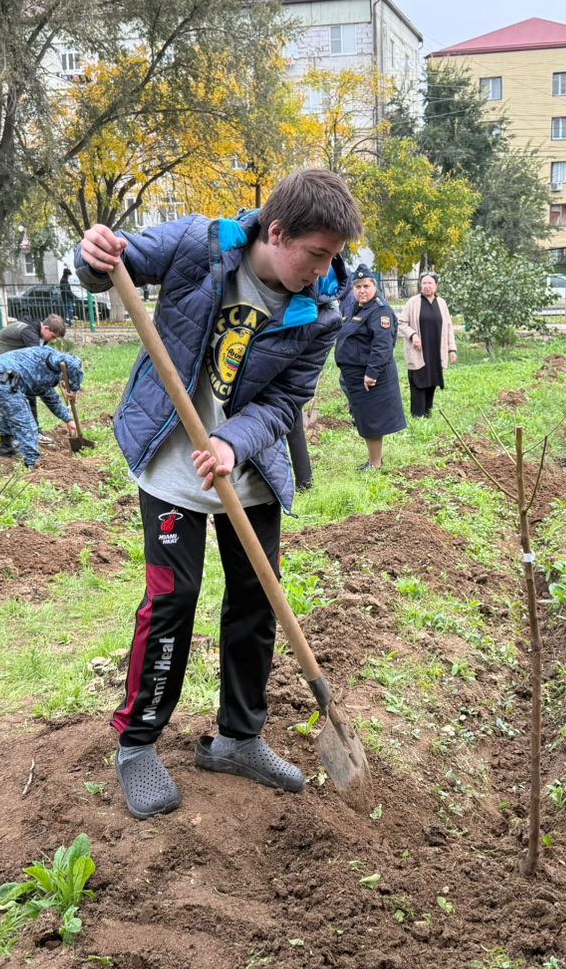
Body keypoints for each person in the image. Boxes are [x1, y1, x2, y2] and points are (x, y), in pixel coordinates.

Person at [72, 168, 361, 821]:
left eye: (332, 258)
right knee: (172, 599)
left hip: (248, 468)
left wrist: (233, 441)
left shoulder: (320, 310)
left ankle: (239, 737)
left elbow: (287, 399)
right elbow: (116, 261)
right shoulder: (198, 245)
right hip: (173, 462)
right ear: (277, 232)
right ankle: (138, 743)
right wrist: (92, 257)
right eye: (314, 255)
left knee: (257, 599)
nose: (322, 270)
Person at [334, 268, 406, 470]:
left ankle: (375, 463)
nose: (362, 290)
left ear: (375, 286)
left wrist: (371, 373)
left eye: (366, 286)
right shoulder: (356, 308)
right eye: (358, 287)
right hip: (355, 375)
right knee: (365, 418)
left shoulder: (380, 311)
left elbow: (382, 346)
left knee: (372, 419)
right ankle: (373, 460)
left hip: (369, 376)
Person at [0, 345, 83, 467]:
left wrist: (68, 420)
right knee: (26, 422)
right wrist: (74, 389)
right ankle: (32, 463)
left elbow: (52, 399)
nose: (64, 384)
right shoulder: (53, 358)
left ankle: (7, 446)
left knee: (9, 409)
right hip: (0, 379)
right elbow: (71, 362)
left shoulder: (46, 375)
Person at [0, 314, 67, 457]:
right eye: (52, 336)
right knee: (20, 396)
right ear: (45, 328)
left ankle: (14, 440)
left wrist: (60, 376)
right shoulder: (30, 333)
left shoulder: (36, 332)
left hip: (7, 362)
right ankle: (23, 438)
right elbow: (37, 361)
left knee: (21, 396)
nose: (52, 341)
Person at [398, 273, 456, 418]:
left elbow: (448, 326)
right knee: (418, 381)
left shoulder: (441, 303)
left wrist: (452, 349)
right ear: (420, 285)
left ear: (436, 286)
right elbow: (401, 323)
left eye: (430, 283)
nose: (427, 286)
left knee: (432, 381)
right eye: (424, 283)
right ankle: (417, 416)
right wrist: (413, 335)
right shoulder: (413, 302)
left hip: (436, 350)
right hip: (419, 350)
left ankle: (428, 414)